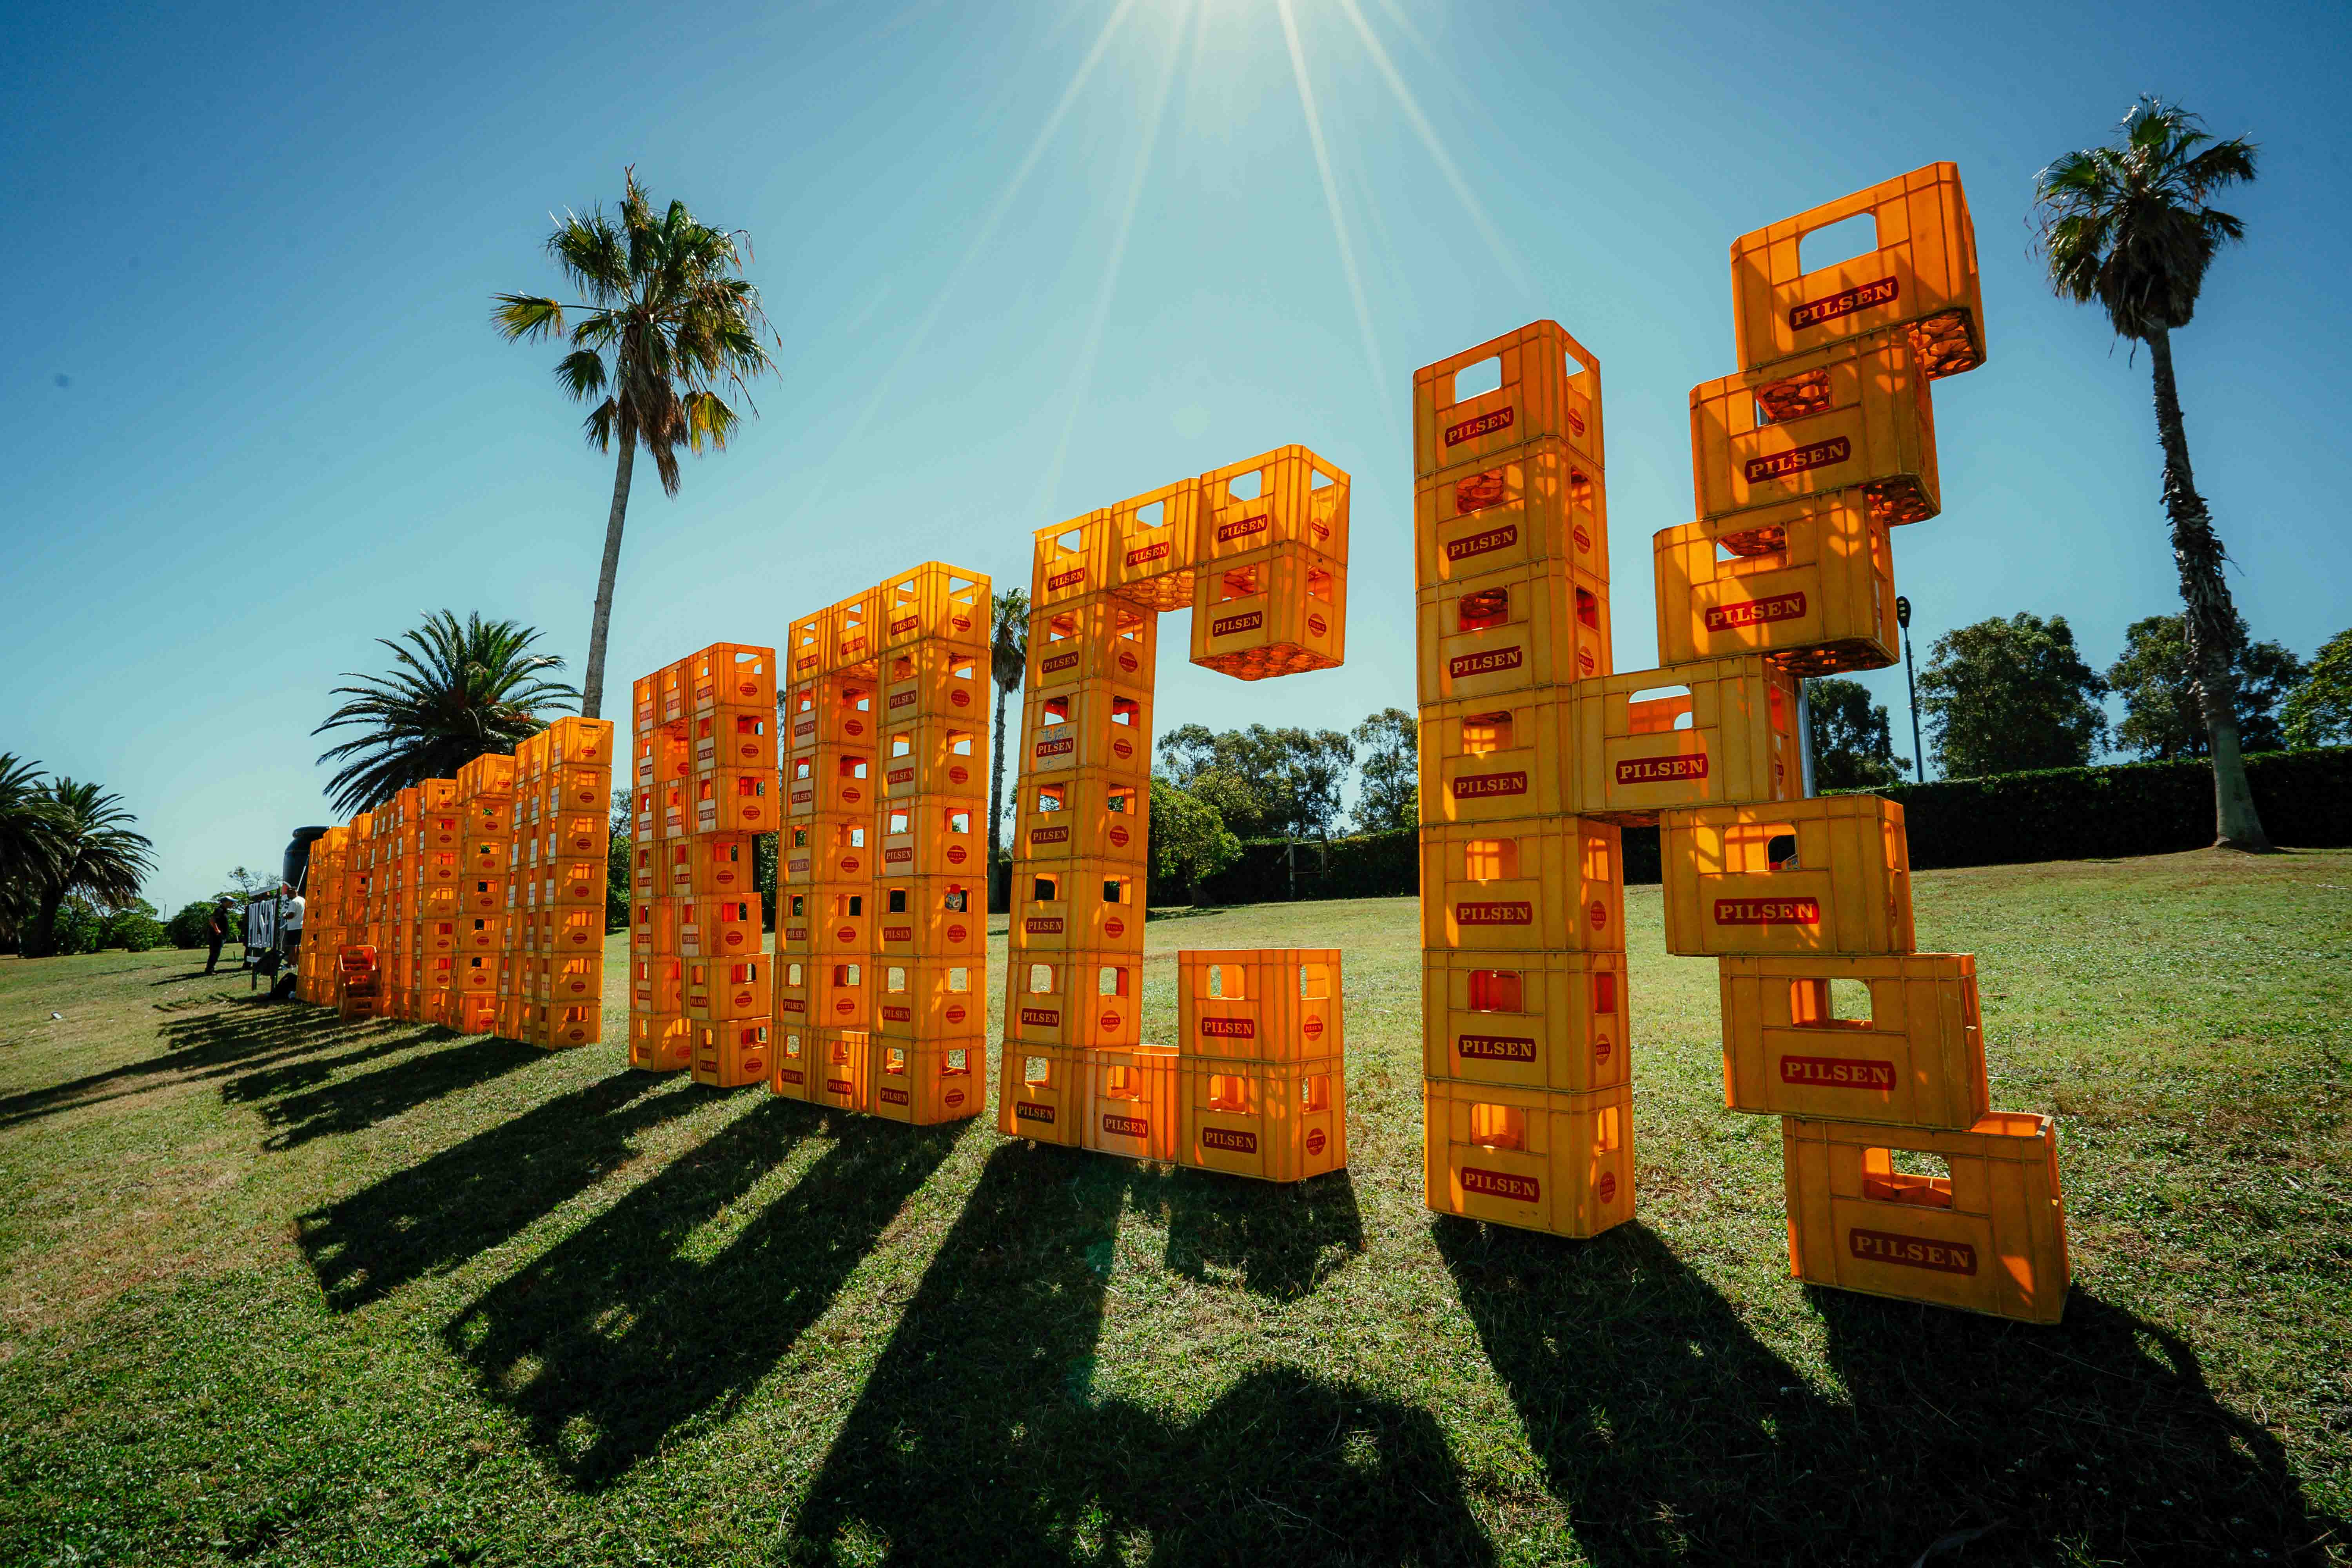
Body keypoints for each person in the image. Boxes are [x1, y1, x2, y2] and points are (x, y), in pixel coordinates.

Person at [204, 895, 234, 975]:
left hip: (220, 936)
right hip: (216, 936)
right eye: (231, 902)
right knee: (215, 953)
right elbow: (212, 920)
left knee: (216, 953)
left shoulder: (225, 911)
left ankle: (210, 969)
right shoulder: (220, 910)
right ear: (225, 902)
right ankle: (209, 970)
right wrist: (217, 930)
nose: (233, 904)